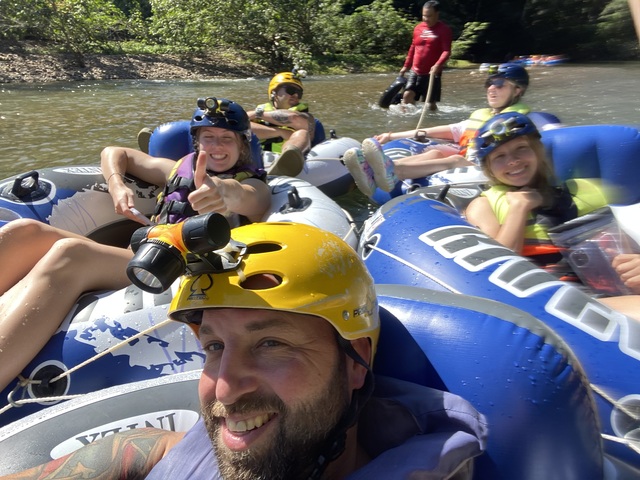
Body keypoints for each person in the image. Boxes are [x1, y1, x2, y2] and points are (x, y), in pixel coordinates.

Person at [0, 222, 488, 479]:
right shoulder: (154, 450)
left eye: (270, 344)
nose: (227, 390)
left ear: (355, 363)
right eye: (214, 346)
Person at [0, 97, 271, 393]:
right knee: (25, 230)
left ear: (242, 144)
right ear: (196, 141)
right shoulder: (175, 168)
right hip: (140, 253)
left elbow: (247, 198)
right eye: (209, 137)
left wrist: (221, 192)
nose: (216, 147)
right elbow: (114, 152)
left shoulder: (253, 184)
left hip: (180, 272)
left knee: (70, 255)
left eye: (226, 139)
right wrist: (117, 185)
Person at [464, 112, 640, 320]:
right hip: (548, 301)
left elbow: (622, 249)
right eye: (499, 157)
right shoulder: (484, 206)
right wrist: (518, 210)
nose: (512, 161)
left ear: (538, 151)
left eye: (521, 149)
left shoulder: (583, 192)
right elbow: (496, 271)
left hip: (600, 293)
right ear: (489, 169)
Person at [344, 63, 531, 198]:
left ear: (517, 91)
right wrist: (391, 136)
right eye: (489, 83)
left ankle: (393, 172)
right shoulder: (482, 115)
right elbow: (444, 130)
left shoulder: (521, 121)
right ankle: (377, 171)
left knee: (455, 159)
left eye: (499, 84)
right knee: (435, 152)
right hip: (472, 164)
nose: (491, 89)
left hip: (492, 172)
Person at [247, 71, 316, 177]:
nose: (296, 95)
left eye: (299, 93)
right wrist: (280, 132)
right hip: (260, 157)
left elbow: (293, 118)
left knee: (301, 133)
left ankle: (286, 160)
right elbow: (240, 126)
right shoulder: (258, 112)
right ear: (274, 92)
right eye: (291, 90)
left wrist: (258, 114)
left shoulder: (304, 115)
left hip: (288, 162)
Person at [399, 0, 452, 109]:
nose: (426, 19)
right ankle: (406, 122)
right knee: (407, 96)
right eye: (424, 16)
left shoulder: (444, 30)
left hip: (432, 73)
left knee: (430, 104)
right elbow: (413, 47)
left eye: (429, 16)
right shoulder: (418, 28)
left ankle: (432, 122)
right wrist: (406, 66)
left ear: (437, 14)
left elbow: (446, 51)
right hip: (415, 70)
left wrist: (437, 65)